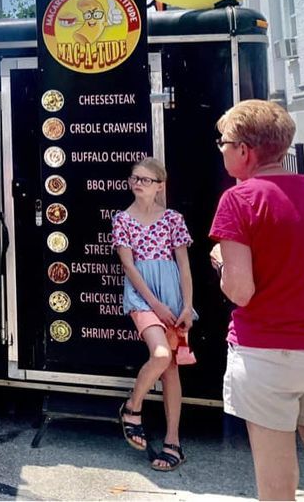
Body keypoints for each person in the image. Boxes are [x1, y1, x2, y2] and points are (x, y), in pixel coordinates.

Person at [209, 100, 304, 501]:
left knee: (277, 484)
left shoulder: (238, 200)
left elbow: (240, 291)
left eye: (224, 142)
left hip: (267, 354)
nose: (221, 149)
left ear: (244, 151)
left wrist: (220, 261)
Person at [112, 158, 194, 471]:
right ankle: (132, 407)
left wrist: (186, 306)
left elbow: (184, 265)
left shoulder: (173, 219)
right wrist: (155, 304)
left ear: (160, 185)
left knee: (171, 368)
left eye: (146, 180)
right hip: (143, 298)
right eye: (135, 178)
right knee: (160, 354)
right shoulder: (122, 219)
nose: (138, 184)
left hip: (172, 298)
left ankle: (173, 442)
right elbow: (129, 266)